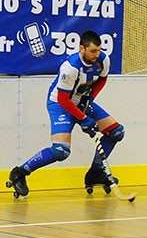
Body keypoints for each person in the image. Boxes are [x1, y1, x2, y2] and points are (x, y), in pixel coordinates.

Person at [8, 31, 124, 198]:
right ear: (82, 48)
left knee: (116, 132)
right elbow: (63, 99)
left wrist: (89, 100)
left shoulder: (103, 59)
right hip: (60, 104)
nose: (96, 54)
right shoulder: (70, 68)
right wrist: (84, 119)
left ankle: (96, 172)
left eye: (98, 50)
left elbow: (102, 79)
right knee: (61, 151)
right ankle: (20, 172)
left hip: (81, 101)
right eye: (92, 51)